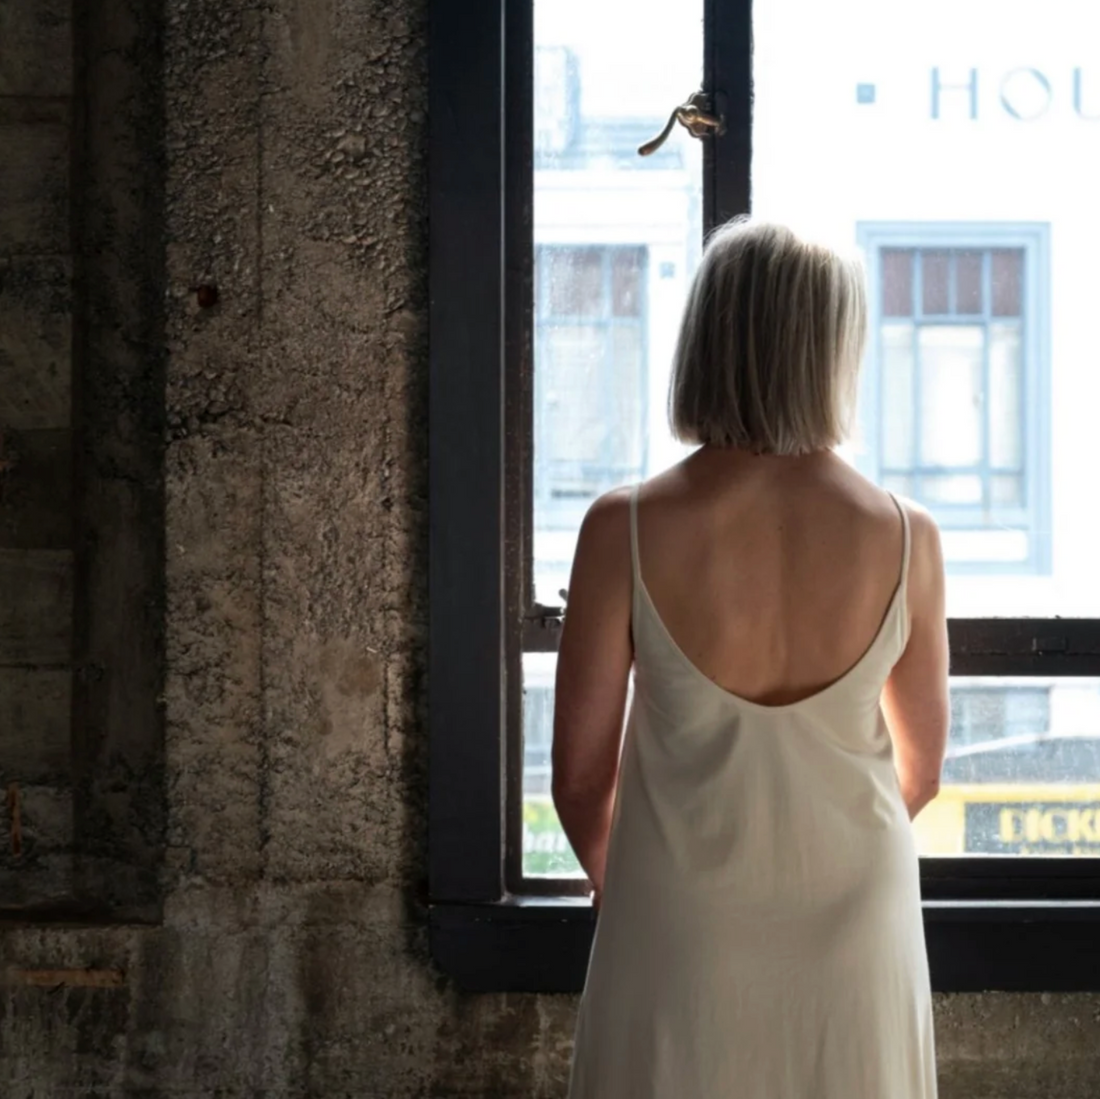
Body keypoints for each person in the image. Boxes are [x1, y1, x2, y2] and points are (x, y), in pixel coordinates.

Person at [552, 218, 949, 1098]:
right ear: (832, 352)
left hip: (677, 927)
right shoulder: (907, 536)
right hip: (858, 931)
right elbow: (917, 772)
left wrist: (634, 883)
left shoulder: (622, 528)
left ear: (708, 340)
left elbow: (579, 780)